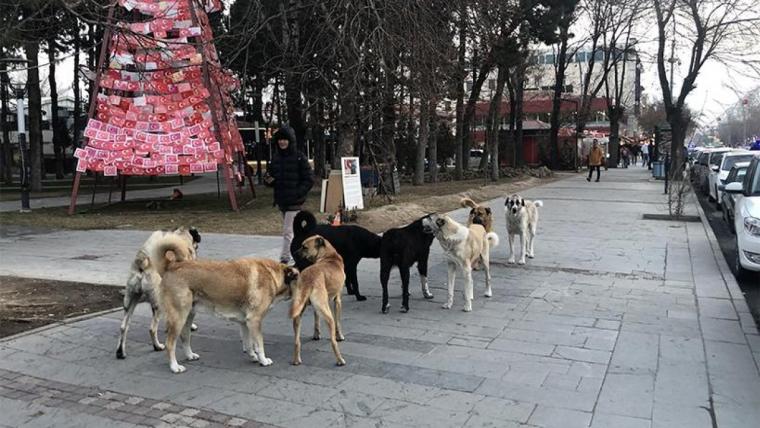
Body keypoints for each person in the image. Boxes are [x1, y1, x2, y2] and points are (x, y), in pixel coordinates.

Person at [264, 125, 314, 264]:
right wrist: (268, 180)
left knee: (287, 231)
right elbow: (272, 177)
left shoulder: (299, 157)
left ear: (290, 141)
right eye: (280, 140)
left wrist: (298, 193)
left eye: (285, 140)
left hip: (295, 202)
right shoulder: (276, 158)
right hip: (282, 200)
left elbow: (309, 179)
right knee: (293, 231)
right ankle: (302, 253)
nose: (282, 142)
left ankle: (285, 258)